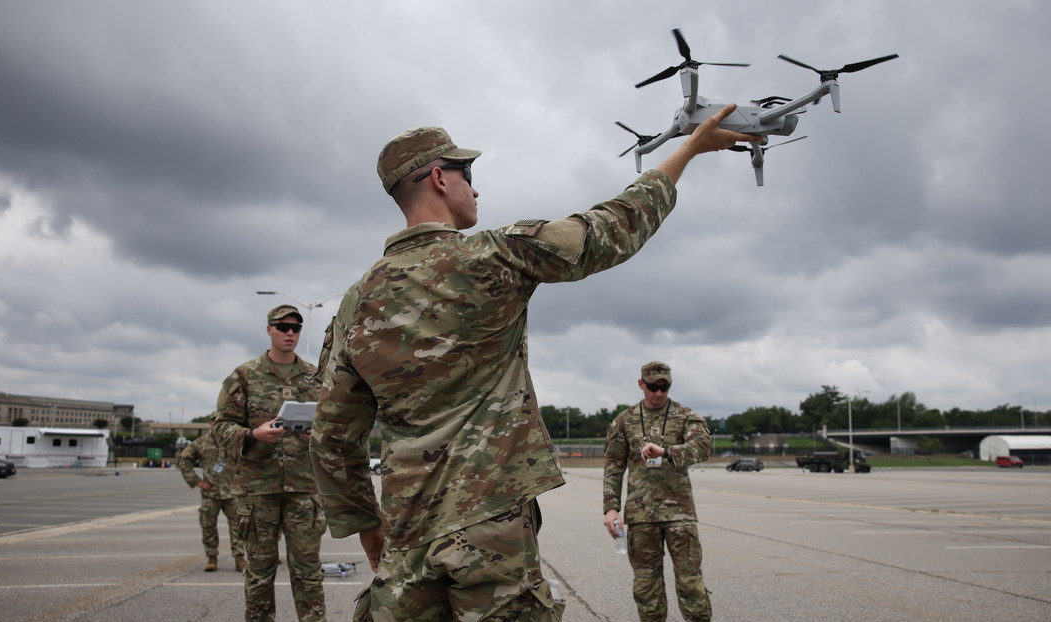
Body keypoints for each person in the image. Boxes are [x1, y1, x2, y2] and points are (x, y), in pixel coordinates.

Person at [309, 104, 755, 622]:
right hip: (491, 521)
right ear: (438, 178)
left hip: (406, 531)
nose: (475, 190)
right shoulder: (492, 256)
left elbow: (332, 436)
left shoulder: (355, 302)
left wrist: (369, 527)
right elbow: (609, 229)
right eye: (467, 175)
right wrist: (689, 150)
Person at [213, 304, 326, 622]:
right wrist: (252, 434)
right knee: (260, 574)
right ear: (269, 330)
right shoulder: (244, 376)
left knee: (308, 574)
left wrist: (317, 435)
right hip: (258, 490)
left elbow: (335, 425)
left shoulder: (316, 377)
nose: (290, 333)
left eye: (296, 328)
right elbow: (221, 426)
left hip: (304, 489)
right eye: (283, 327)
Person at [602, 361, 713, 622]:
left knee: (690, 585)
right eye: (653, 387)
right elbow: (613, 466)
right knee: (646, 588)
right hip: (641, 517)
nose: (659, 393)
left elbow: (703, 447)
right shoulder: (624, 421)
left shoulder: (685, 416)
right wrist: (611, 508)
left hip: (679, 515)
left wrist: (666, 452)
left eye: (665, 388)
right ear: (642, 384)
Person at [177, 425, 245, 572]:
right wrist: (196, 481)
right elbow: (184, 459)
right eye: (215, 422)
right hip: (211, 493)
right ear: (210, 424)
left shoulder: (233, 440)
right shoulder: (201, 443)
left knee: (238, 526)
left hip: (231, 492)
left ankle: (239, 558)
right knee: (208, 526)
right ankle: (211, 557)